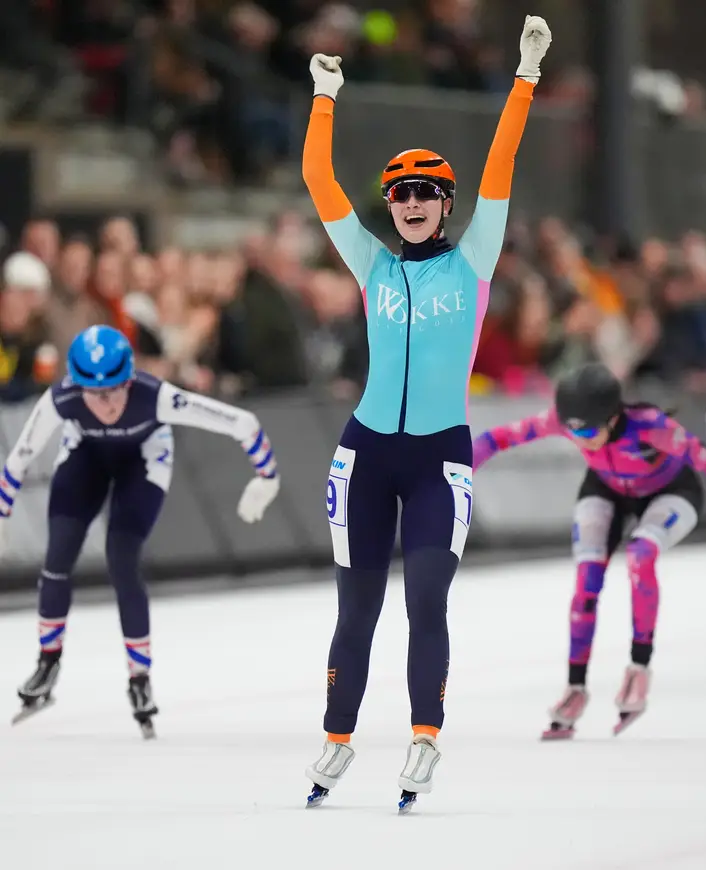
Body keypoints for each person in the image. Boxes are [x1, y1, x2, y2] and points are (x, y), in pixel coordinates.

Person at [300, 16, 552, 812]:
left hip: (442, 454)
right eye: (400, 193)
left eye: (425, 194)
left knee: (427, 600)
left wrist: (524, 76)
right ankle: (337, 737)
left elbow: (503, 164)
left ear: (446, 206)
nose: (410, 204)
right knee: (357, 609)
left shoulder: (474, 259)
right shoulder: (371, 261)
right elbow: (318, 183)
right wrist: (323, 98)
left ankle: (424, 735)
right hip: (366, 454)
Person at [472, 362, 706, 739]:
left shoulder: (652, 427)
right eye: (572, 431)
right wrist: (455, 477)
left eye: (589, 430)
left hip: (671, 492)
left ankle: (639, 666)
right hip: (606, 489)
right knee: (586, 582)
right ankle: (575, 687)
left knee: (641, 556)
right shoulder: (565, 419)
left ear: (613, 418)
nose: (580, 438)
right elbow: (492, 440)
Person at [0, 325, 281, 737]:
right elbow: (18, 462)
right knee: (57, 556)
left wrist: (267, 477)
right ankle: (47, 663)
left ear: (129, 378)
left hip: (143, 461)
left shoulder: (157, 396)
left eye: (114, 390)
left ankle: (139, 679)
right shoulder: (61, 399)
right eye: (94, 394)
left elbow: (242, 422)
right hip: (86, 458)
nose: (106, 403)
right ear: (77, 388)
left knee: (122, 559)